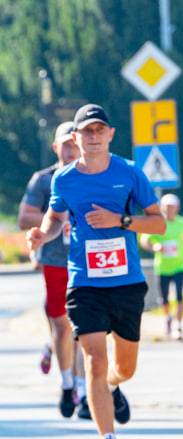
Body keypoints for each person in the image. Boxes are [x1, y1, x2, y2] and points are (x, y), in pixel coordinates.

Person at [26, 103, 165, 439]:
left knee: (124, 366)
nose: (93, 136)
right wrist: (43, 233)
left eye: (99, 130)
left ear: (110, 134)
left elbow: (158, 224)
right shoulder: (65, 179)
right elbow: (55, 217)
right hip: (84, 280)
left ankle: (115, 387)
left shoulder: (130, 173)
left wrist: (119, 220)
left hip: (126, 282)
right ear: (75, 137)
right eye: (86, 131)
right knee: (94, 358)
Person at [17, 121, 87, 417]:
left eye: (75, 143)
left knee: (85, 327)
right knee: (61, 325)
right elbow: (24, 217)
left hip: (87, 259)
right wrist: (52, 222)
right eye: (66, 145)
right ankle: (68, 383)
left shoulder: (92, 175)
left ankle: (84, 392)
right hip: (57, 260)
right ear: (56, 147)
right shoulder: (44, 180)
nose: (71, 149)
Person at [141, 193, 183, 339]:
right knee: (164, 298)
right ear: (162, 208)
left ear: (177, 208)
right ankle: (168, 318)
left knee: (179, 296)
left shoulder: (182, 223)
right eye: (166, 207)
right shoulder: (158, 223)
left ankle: (179, 325)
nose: (169, 210)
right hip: (162, 266)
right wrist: (155, 246)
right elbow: (145, 240)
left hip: (179, 265)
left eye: (172, 207)